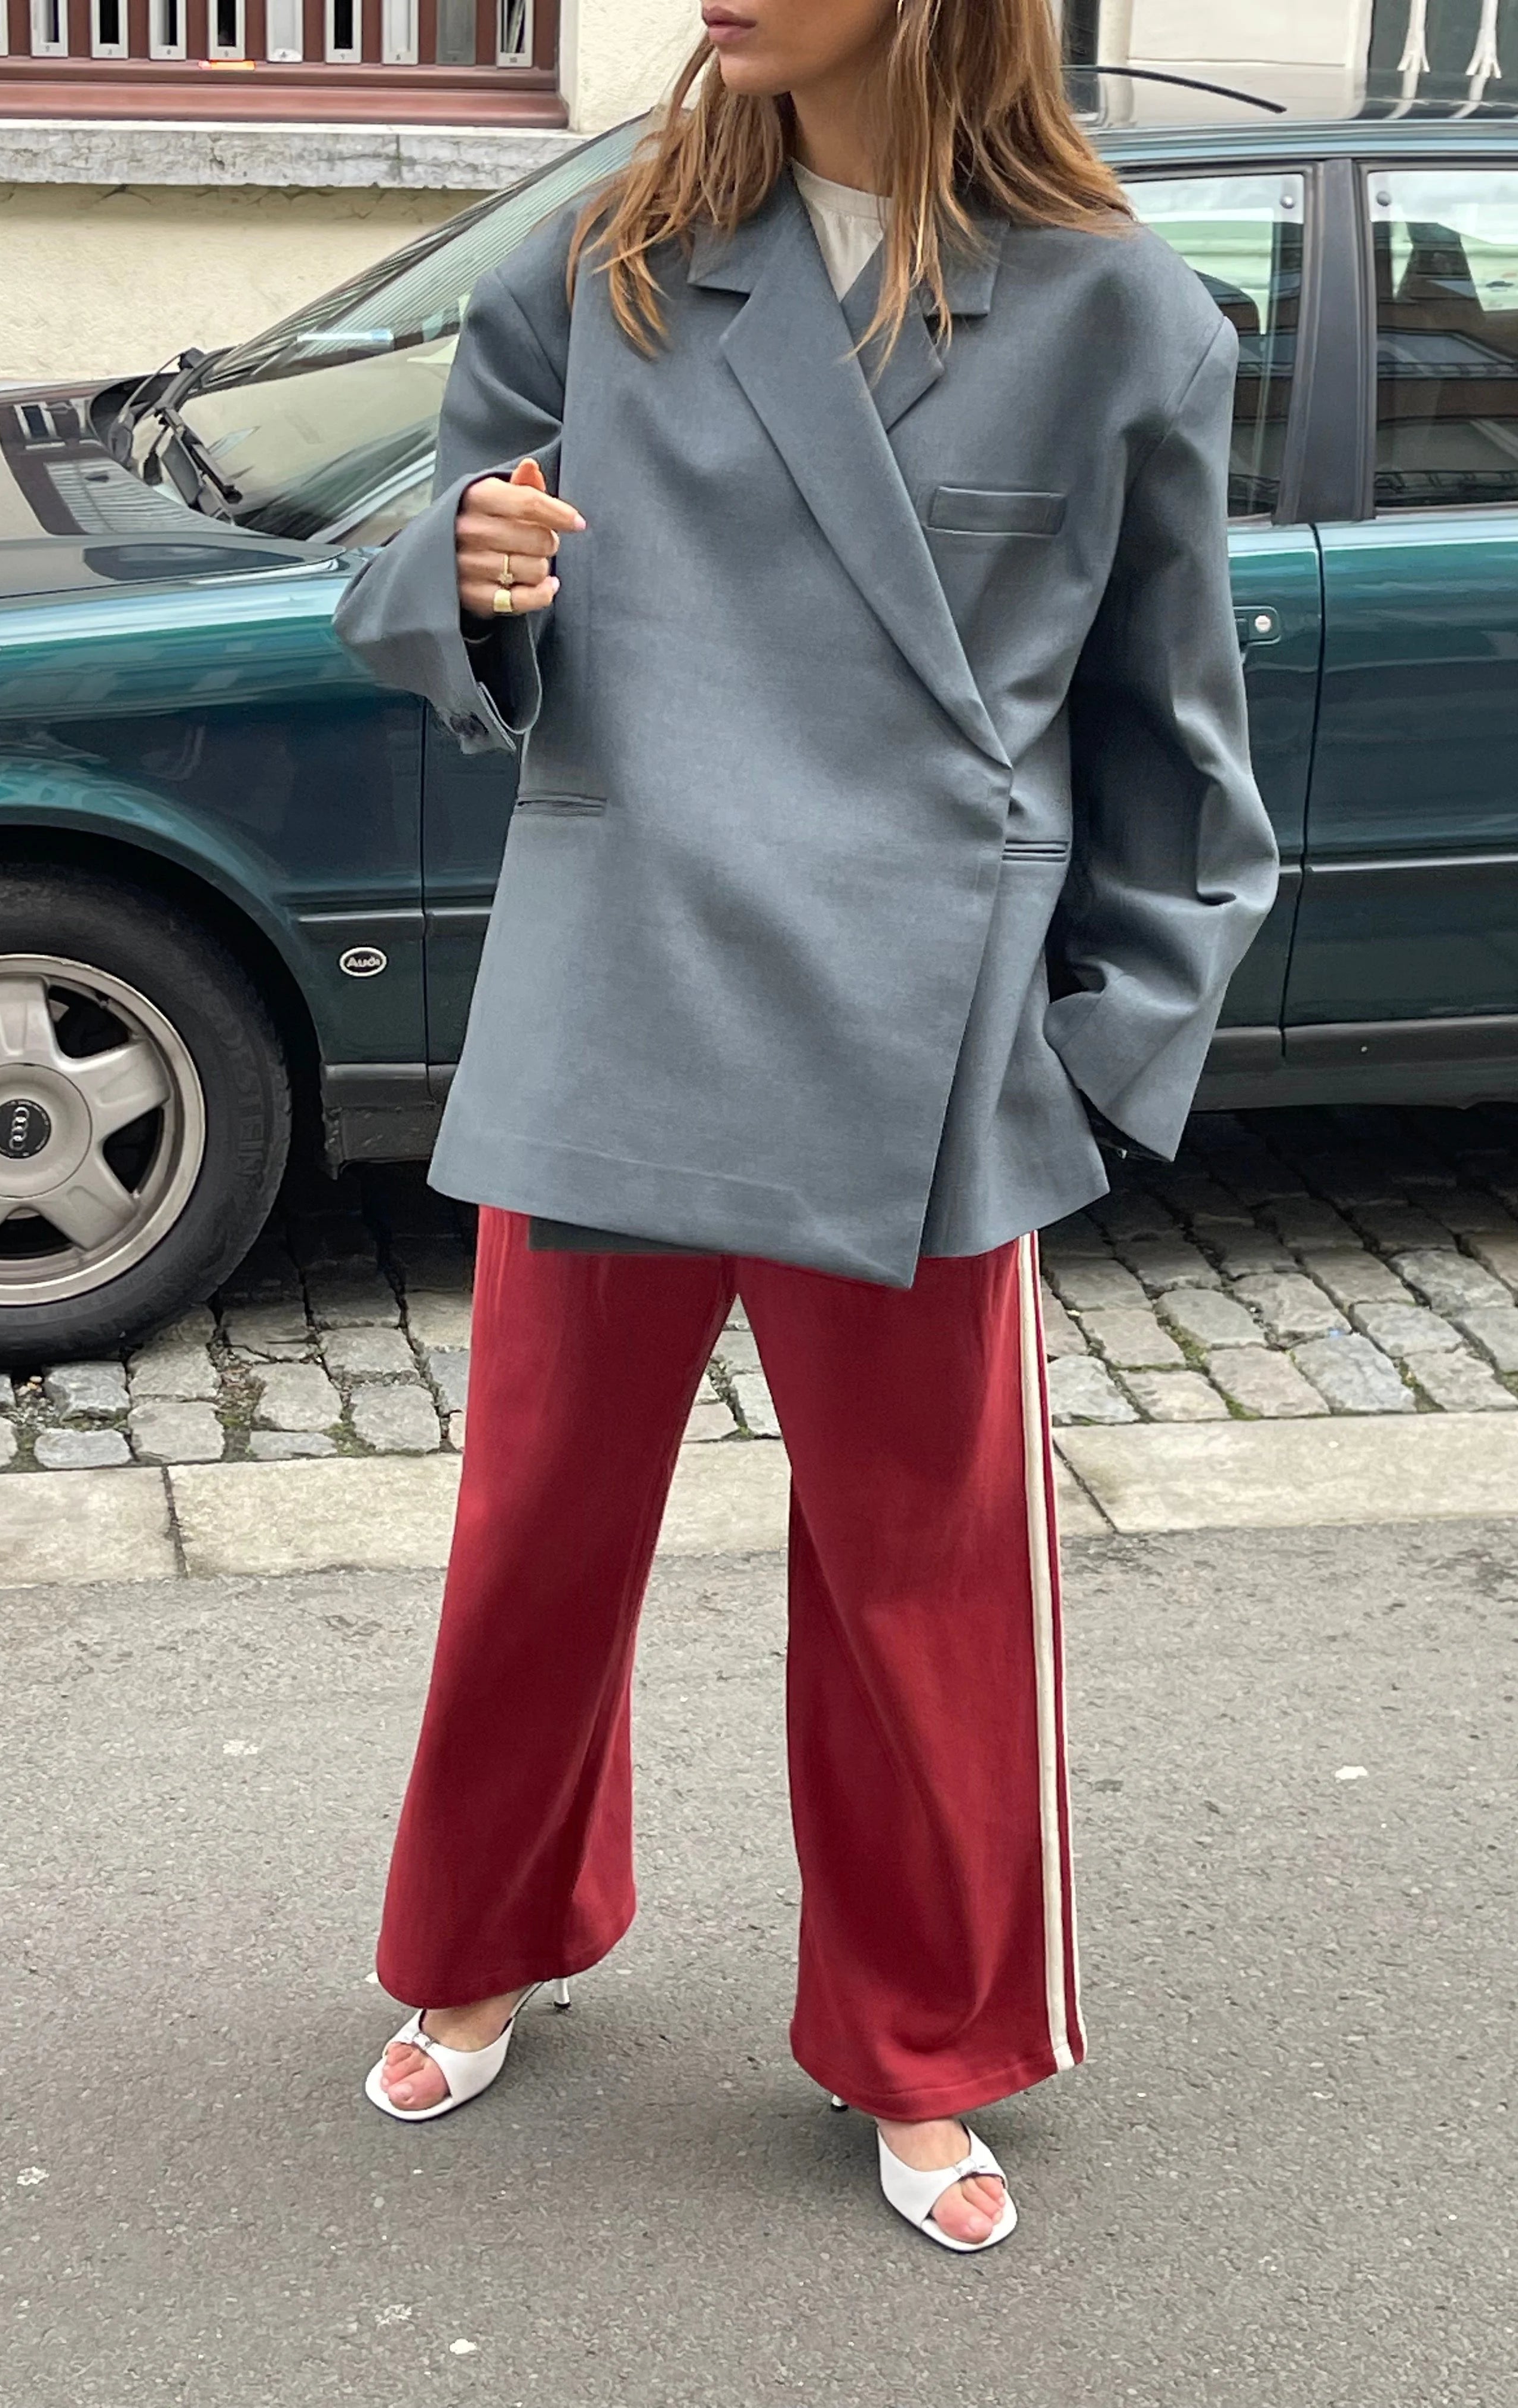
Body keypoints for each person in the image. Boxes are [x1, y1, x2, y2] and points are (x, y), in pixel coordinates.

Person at [334, 0, 1277, 2253]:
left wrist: (1096, 1052)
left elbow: (1174, 731)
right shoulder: (611, 262)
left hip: (918, 1038)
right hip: (625, 985)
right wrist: (460, 566)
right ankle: (488, 1927)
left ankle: (923, 2037)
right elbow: (404, 568)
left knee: (921, 1576)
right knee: (538, 1525)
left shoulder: (1120, 312)